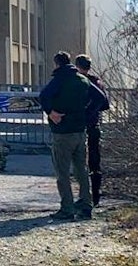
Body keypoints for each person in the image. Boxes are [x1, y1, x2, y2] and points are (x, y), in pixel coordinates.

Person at [38, 51, 109, 221]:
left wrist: (51, 112)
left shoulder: (60, 78)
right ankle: (86, 205)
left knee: (62, 172)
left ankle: (67, 208)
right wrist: (86, 113)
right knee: (81, 170)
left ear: (57, 64)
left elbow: (43, 96)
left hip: (63, 131)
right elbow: (101, 98)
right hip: (80, 131)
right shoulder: (82, 79)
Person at [74, 54, 108, 206]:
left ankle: (85, 196)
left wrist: (85, 112)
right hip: (94, 124)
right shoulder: (97, 82)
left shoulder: (79, 82)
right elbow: (105, 104)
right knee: (95, 160)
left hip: (81, 125)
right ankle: (96, 194)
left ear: (77, 66)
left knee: (80, 161)